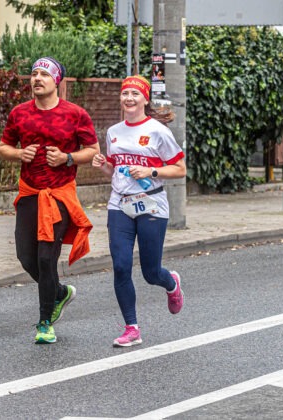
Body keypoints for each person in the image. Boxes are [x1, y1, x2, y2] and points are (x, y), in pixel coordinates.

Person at [0, 57, 100, 344]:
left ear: (56, 81)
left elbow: (93, 150)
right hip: (30, 193)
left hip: (59, 195)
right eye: (34, 73)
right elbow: (4, 147)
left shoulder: (75, 114)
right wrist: (20, 154)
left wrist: (67, 158)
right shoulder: (19, 113)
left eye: (44, 74)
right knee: (26, 257)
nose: (37, 78)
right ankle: (60, 292)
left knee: (46, 258)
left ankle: (45, 323)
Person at [92, 75, 187, 347]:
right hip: (120, 204)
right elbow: (115, 170)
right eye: (125, 94)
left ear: (145, 99)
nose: (129, 98)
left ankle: (171, 283)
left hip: (152, 204)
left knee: (150, 272)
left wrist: (151, 171)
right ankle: (131, 328)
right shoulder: (113, 132)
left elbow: (180, 169)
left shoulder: (158, 131)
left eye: (135, 94)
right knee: (121, 266)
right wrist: (103, 165)